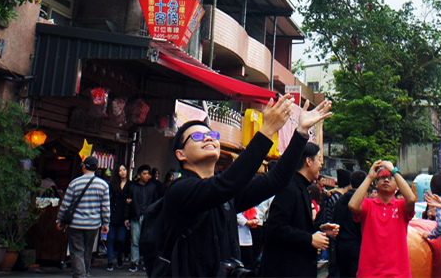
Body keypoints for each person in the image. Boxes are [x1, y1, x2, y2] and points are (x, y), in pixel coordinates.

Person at [160, 96, 332, 277]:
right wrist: (266, 130)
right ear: (180, 154)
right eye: (197, 136)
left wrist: (301, 132)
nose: (208, 139)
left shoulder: (225, 198)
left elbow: (275, 179)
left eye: (212, 135)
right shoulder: (180, 190)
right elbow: (227, 183)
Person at [260, 142, 338, 277]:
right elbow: (276, 227)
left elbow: (296, 225)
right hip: (285, 270)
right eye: (318, 159)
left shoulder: (301, 188)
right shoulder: (290, 188)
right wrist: (309, 239)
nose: (320, 165)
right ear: (308, 161)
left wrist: (320, 229)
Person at [348, 160, 417, 278]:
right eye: (382, 177)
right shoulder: (368, 205)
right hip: (369, 273)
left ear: (397, 185)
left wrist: (394, 171)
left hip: (398, 274)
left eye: (390, 178)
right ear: (376, 183)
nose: (386, 180)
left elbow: (411, 198)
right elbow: (352, 205)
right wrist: (369, 177)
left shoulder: (401, 207)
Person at [57, 155, 110, 278]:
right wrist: (106, 223)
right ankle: (85, 272)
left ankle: (80, 275)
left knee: (76, 250)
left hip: (75, 223)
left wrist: (60, 219)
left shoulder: (75, 183)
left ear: (84, 166)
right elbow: (105, 207)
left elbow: (66, 204)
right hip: (93, 224)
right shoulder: (103, 185)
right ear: (96, 168)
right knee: (88, 249)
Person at [129, 164, 163, 272]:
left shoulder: (153, 187)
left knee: (146, 240)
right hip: (136, 216)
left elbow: (156, 201)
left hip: (148, 216)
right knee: (135, 240)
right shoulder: (133, 187)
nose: (147, 176)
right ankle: (134, 261)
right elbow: (129, 202)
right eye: (144, 173)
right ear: (139, 175)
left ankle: (144, 260)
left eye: (148, 174)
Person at [334, 170, 367, 278]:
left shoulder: (340, 201)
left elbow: (336, 221)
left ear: (351, 183)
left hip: (341, 245)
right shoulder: (363, 202)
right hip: (357, 245)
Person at [106, 164, 132, 271]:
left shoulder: (130, 185)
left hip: (124, 215)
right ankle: (110, 260)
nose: (122, 172)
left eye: (124, 170)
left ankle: (120, 257)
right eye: (120, 170)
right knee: (110, 238)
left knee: (121, 239)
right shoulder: (113, 184)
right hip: (113, 213)